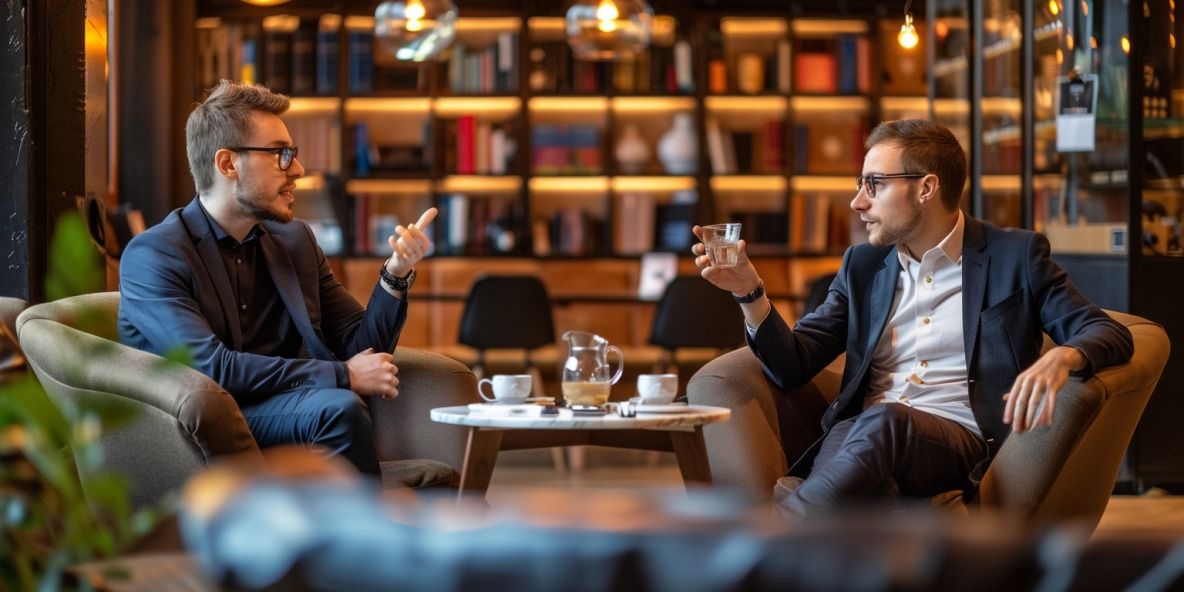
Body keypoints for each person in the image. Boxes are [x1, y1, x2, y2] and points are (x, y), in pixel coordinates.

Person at [692, 119, 1134, 515]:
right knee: (863, 456)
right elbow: (792, 365)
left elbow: (1106, 331)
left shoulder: (1014, 256)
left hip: (958, 438)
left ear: (926, 188)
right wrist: (748, 291)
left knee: (885, 421)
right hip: (861, 438)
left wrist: (1063, 357)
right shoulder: (863, 266)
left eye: (874, 185)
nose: (857, 203)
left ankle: (763, 545)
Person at [119, 80, 436, 477]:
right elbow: (213, 369)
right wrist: (342, 374)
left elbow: (360, 346)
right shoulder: (154, 255)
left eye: (294, 154)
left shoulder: (294, 240)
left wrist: (396, 273)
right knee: (337, 408)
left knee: (338, 405)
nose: (298, 169)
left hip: (282, 405)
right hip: (199, 422)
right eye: (280, 155)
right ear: (228, 164)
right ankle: (370, 535)